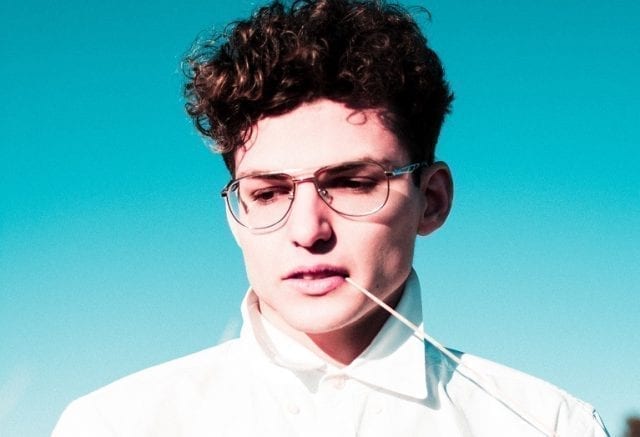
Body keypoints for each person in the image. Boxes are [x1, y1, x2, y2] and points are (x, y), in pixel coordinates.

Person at [52, 0, 610, 436]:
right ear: (236, 218)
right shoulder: (114, 425)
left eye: (353, 183)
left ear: (433, 200)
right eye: (268, 193)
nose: (307, 231)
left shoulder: (548, 425)